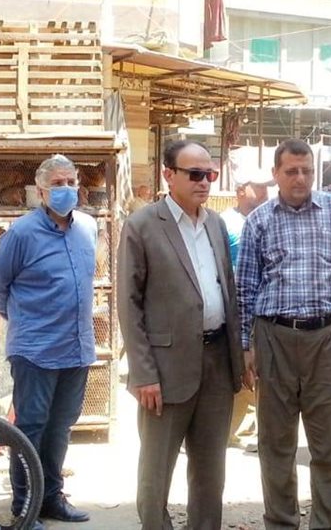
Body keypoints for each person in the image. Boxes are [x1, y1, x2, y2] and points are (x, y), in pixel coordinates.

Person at [237, 138, 331, 530]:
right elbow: (245, 289)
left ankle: (326, 522)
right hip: (275, 339)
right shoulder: (259, 221)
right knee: (276, 443)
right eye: (291, 171)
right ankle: (281, 522)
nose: (300, 178)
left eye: (306, 171)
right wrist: (245, 346)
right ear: (276, 174)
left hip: (328, 338)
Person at [118, 140, 245, 530]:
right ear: (168, 175)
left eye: (210, 174)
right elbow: (128, 304)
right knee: (156, 471)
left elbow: (227, 290)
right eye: (195, 174)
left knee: (210, 471)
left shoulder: (216, 225)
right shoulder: (143, 226)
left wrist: (239, 355)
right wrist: (143, 374)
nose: (204, 182)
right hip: (165, 368)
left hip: (216, 361)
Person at [0, 154, 95, 526]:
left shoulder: (88, 227)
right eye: (57, 184)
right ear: (41, 190)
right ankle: (25, 505)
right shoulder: (21, 233)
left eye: (70, 182)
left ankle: (51, 497)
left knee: (61, 427)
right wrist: (25, 320)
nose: (65, 189)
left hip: (76, 347)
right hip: (35, 350)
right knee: (30, 427)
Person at [219, 166, 273, 447]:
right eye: (259, 187)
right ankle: (234, 429)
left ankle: (254, 427)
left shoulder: (269, 219)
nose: (265, 192)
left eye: (266, 187)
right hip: (237, 307)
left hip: (267, 309)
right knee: (242, 365)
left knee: (264, 366)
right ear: (241, 190)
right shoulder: (225, 223)